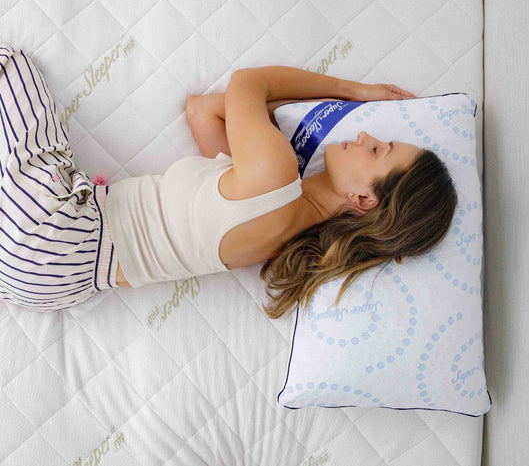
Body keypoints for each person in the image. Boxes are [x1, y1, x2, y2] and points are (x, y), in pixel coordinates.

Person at [0, 46, 456, 314]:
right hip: (50, 286)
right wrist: (270, 121)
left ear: (363, 200)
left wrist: (353, 91)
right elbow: (203, 109)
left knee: (10, 64)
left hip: (63, 230)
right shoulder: (280, 233)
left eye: (378, 150)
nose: (364, 132)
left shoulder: (275, 176)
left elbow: (246, 83)